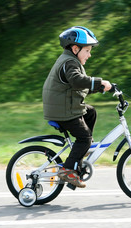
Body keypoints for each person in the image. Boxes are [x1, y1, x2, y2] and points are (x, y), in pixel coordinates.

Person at [42, 26, 111, 188]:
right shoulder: (70, 63)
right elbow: (77, 81)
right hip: (62, 110)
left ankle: (83, 149)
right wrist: (100, 82)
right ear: (75, 48)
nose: (89, 54)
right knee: (84, 138)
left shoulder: (69, 60)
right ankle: (68, 169)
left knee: (91, 112)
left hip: (63, 106)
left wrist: (102, 87)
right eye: (87, 50)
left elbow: (79, 87)